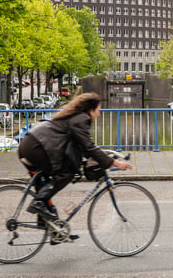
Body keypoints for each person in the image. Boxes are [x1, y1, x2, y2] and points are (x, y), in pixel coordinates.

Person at [18, 92, 132, 223]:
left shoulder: (74, 116)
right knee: (67, 173)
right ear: (90, 109)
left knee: (45, 185)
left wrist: (103, 156)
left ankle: (49, 223)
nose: (99, 114)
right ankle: (38, 203)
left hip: (29, 145)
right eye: (98, 110)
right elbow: (88, 146)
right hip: (36, 148)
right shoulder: (81, 119)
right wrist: (114, 163)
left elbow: (83, 147)